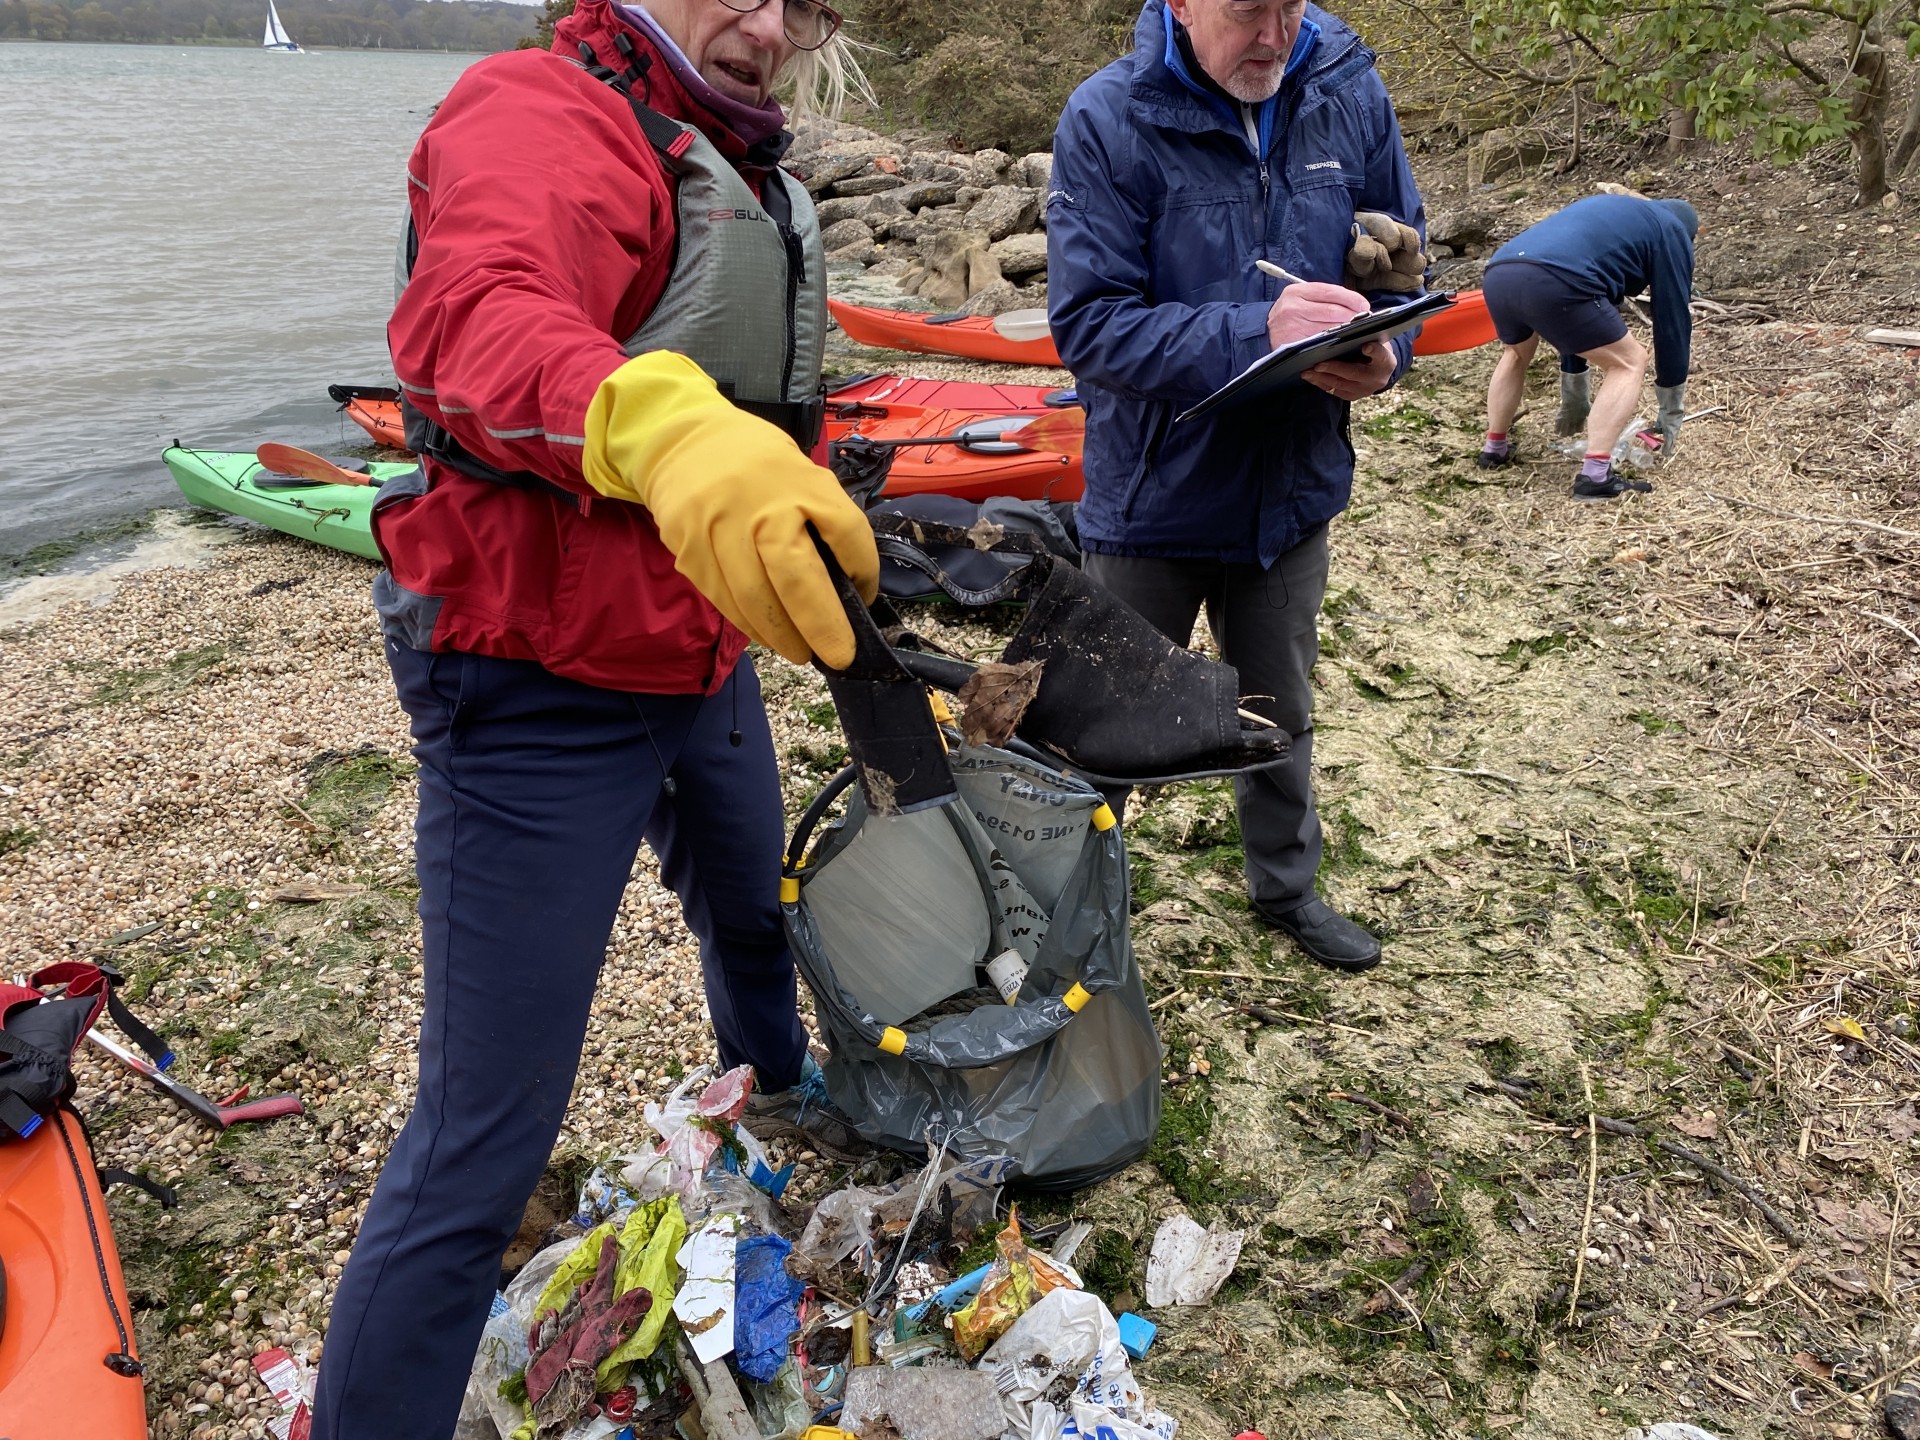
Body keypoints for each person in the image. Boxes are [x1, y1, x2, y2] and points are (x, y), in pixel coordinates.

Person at [311, 1, 878, 1435]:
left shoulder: (744, 165)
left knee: (753, 914)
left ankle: (765, 1118)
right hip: (532, 679)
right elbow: (482, 316)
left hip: (695, 656)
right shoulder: (540, 109)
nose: (767, 23)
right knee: (480, 1148)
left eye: (802, 2)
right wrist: (662, 426)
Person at [1047, 0, 1425, 974]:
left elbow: (1400, 254)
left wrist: (1391, 351)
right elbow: (1088, 325)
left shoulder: (1349, 91)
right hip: (1150, 501)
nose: (1273, 31)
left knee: (1280, 714)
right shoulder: (1107, 117)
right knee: (1106, 726)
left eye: (1288, 5)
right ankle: (1067, 922)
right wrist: (1257, 329)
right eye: (1245, 9)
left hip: (1290, 494)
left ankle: (1286, 891)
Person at [1475, 193, 1699, 500]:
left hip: (1501, 271)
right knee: (1629, 362)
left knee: (1515, 353)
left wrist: (1575, 390)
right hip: (1557, 277)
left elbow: (1571, 325)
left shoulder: (1621, 215)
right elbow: (1672, 318)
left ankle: (1494, 449)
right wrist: (1671, 405)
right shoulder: (1672, 229)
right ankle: (1595, 476)